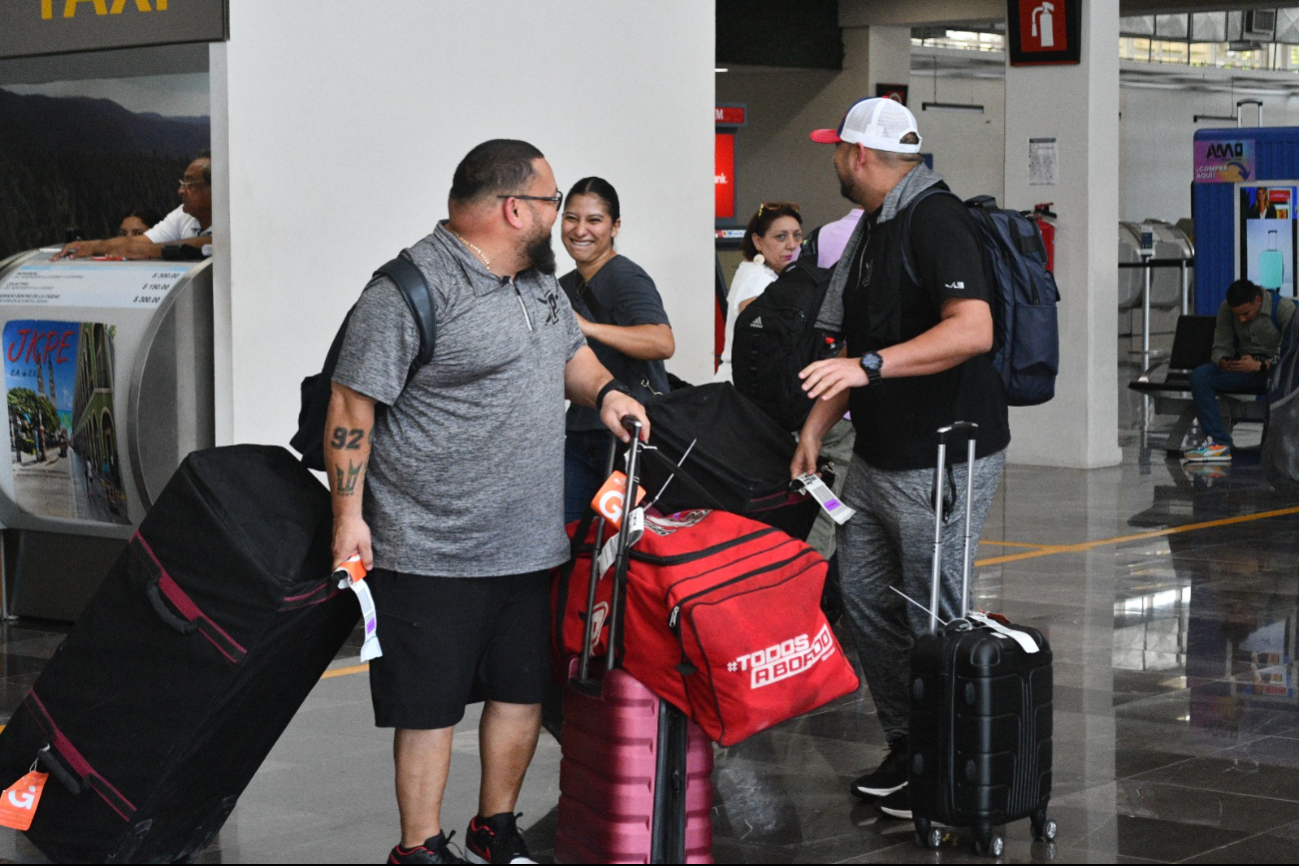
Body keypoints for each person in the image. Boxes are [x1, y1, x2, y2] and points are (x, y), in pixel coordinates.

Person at [326, 139, 648, 866]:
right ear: (514, 209)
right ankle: (419, 847)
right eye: (551, 202)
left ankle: (493, 829)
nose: (559, 218)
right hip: (429, 546)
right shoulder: (406, 291)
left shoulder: (536, 285)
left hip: (529, 540)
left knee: (520, 691)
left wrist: (607, 394)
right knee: (429, 707)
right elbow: (351, 405)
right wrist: (348, 517)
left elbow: (571, 355)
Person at [790, 97, 1010, 821]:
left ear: (858, 155)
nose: (831, 160)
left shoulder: (933, 219)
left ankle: (946, 764)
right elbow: (847, 351)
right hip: (879, 458)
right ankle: (908, 745)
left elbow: (971, 329)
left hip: (942, 456)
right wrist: (815, 430)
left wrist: (873, 367)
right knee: (861, 600)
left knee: (932, 616)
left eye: (834, 148)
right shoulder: (871, 231)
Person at [558, 176, 674, 523]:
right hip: (580, 434)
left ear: (615, 226)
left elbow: (662, 342)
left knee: (625, 541)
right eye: (571, 218)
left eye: (594, 220)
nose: (580, 230)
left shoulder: (625, 277)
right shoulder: (564, 284)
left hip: (627, 439)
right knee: (569, 538)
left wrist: (588, 327)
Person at [1184, 279, 1296, 463]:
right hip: (1244, 368)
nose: (1241, 319)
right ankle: (1219, 444)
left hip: (1278, 373)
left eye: (1246, 313)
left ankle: (1276, 447)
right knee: (1201, 376)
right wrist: (1223, 361)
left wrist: (1263, 365)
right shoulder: (1227, 310)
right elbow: (1221, 345)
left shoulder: (1283, 310)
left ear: (1258, 301)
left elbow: (1292, 353)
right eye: (1238, 316)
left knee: (1279, 383)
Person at [54, 152, 213, 260]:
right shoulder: (181, 215)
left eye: (189, 183)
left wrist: (147, 250)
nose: (180, 191)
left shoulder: (234, 218)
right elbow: (138, 244)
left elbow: (213, 244)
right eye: (182, 183)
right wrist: (94, 246)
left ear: (215, 188)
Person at [714, 202, 802, 382]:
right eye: (781, 237)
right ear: (757, 241)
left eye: (797, 236)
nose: (792, 245)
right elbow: (759, 337)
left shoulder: (757, 271)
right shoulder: (758, 278)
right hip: (747, 387)